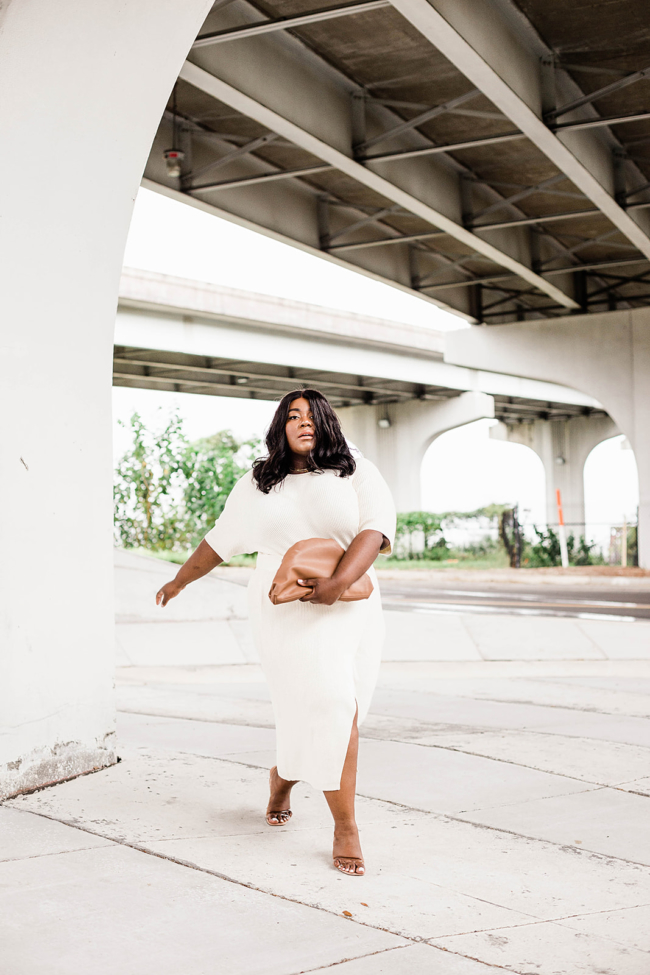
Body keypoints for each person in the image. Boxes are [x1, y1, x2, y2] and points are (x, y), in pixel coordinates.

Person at [156, 389, 395, 876]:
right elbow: (221, 539)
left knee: (343, 709)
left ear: (327, 422)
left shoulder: (355, 469)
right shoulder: (260, 481)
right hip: (282, 606)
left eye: (312, 415)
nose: (303, 422)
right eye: (292, 416)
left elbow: (375, 530)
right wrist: (180, 579)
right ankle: (345, 826)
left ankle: (283, 776)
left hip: (348, 602)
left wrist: (336, 583)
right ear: (280, 427)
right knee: (329, 706)